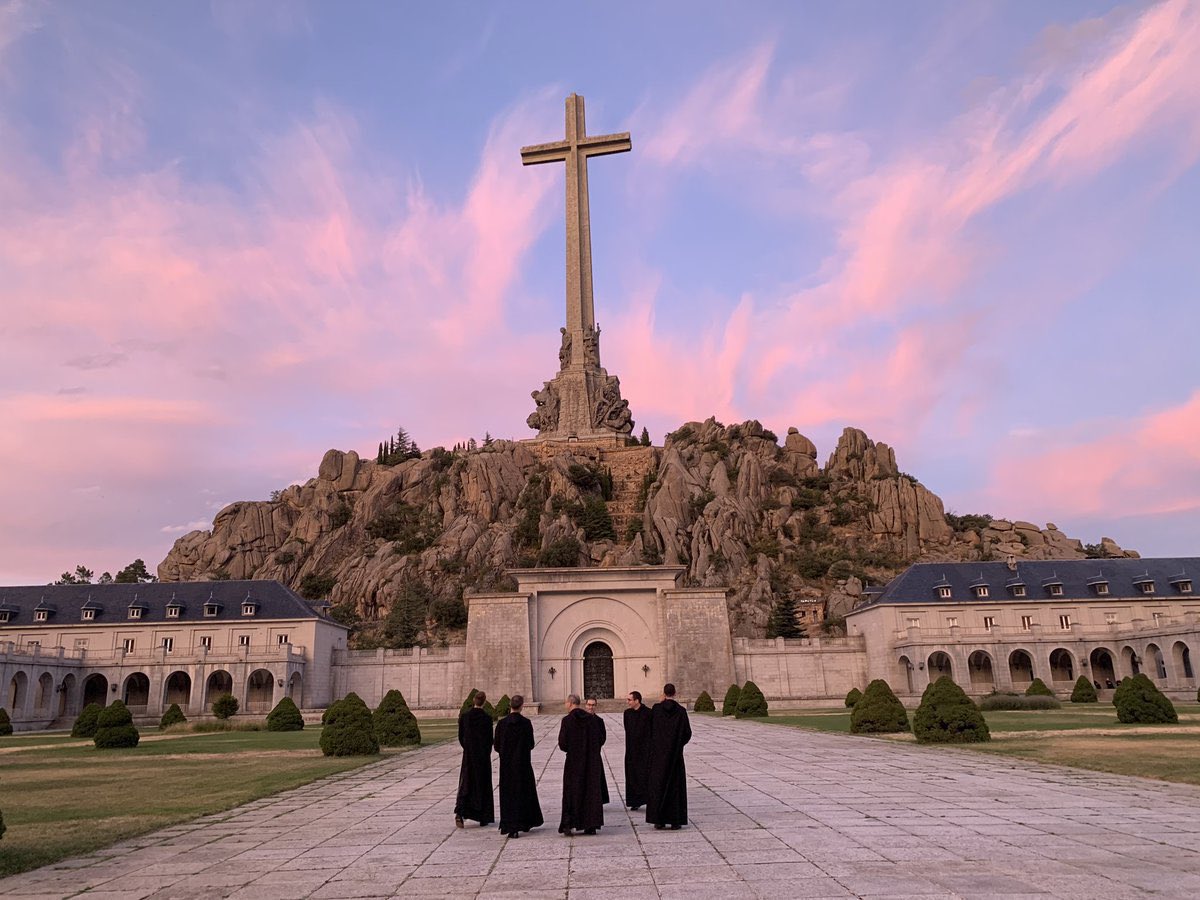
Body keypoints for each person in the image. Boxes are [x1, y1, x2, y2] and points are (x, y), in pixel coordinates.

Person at [493, 694, 543, 839]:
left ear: (510, 705)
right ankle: (525, 822)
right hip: (523, 764)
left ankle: (511, 826)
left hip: (507, 766)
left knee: (509, 795)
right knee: (524, 792)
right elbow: (531, 744)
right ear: (522, 706)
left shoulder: (502, 724)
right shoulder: (526, 723)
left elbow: (496, 746)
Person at [645, 683, 692, 831]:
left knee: (658, 786)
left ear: (664, 693)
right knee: (675, 787)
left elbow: (649, 730)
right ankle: (675, 821)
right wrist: (678, 745)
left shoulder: (656, 710)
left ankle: (658, 820)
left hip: (658, 755)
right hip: (675, 756)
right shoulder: (681, 711)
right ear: (675, 693)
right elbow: (687, 733)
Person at [557, 693, 604, 835]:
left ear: (570, 703)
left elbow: (563, 744)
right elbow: (600, 739)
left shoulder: (567, 720)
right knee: (590, 791)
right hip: (591, 761)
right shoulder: (592, 720)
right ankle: (590, 824)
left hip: (573, 762)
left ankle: (568, 824)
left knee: (571, 791)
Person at [455, 690, 494, 828]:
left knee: (466, 783)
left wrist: (467, 748)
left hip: (469, 756)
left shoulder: (465, 717)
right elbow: (490, 739)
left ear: (473, 701)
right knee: (483, 784)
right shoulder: (487, 719)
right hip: (483, 757)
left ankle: (460, 812)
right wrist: (485, 752)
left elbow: (461, 737)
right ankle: (483, 816)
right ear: (484, 702)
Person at [623, 690, 653, 810]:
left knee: (645, 776)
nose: (627, 702)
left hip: (645, 751)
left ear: (637, 700)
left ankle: (648, 799)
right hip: (631, 751)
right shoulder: (627, 713)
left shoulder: (648, 713)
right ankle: (634, 801)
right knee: (632, 776)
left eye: (630, 700)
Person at [584, 697, 610, 804]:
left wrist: (595, 745)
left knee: (596, 777)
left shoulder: (599, 721)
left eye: (593, 705)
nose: (591, 707)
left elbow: (603, 737)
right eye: (589, 705)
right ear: (585, 705)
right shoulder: (581, 720)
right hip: (584, 755)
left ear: (596, 706)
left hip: (595, 754)